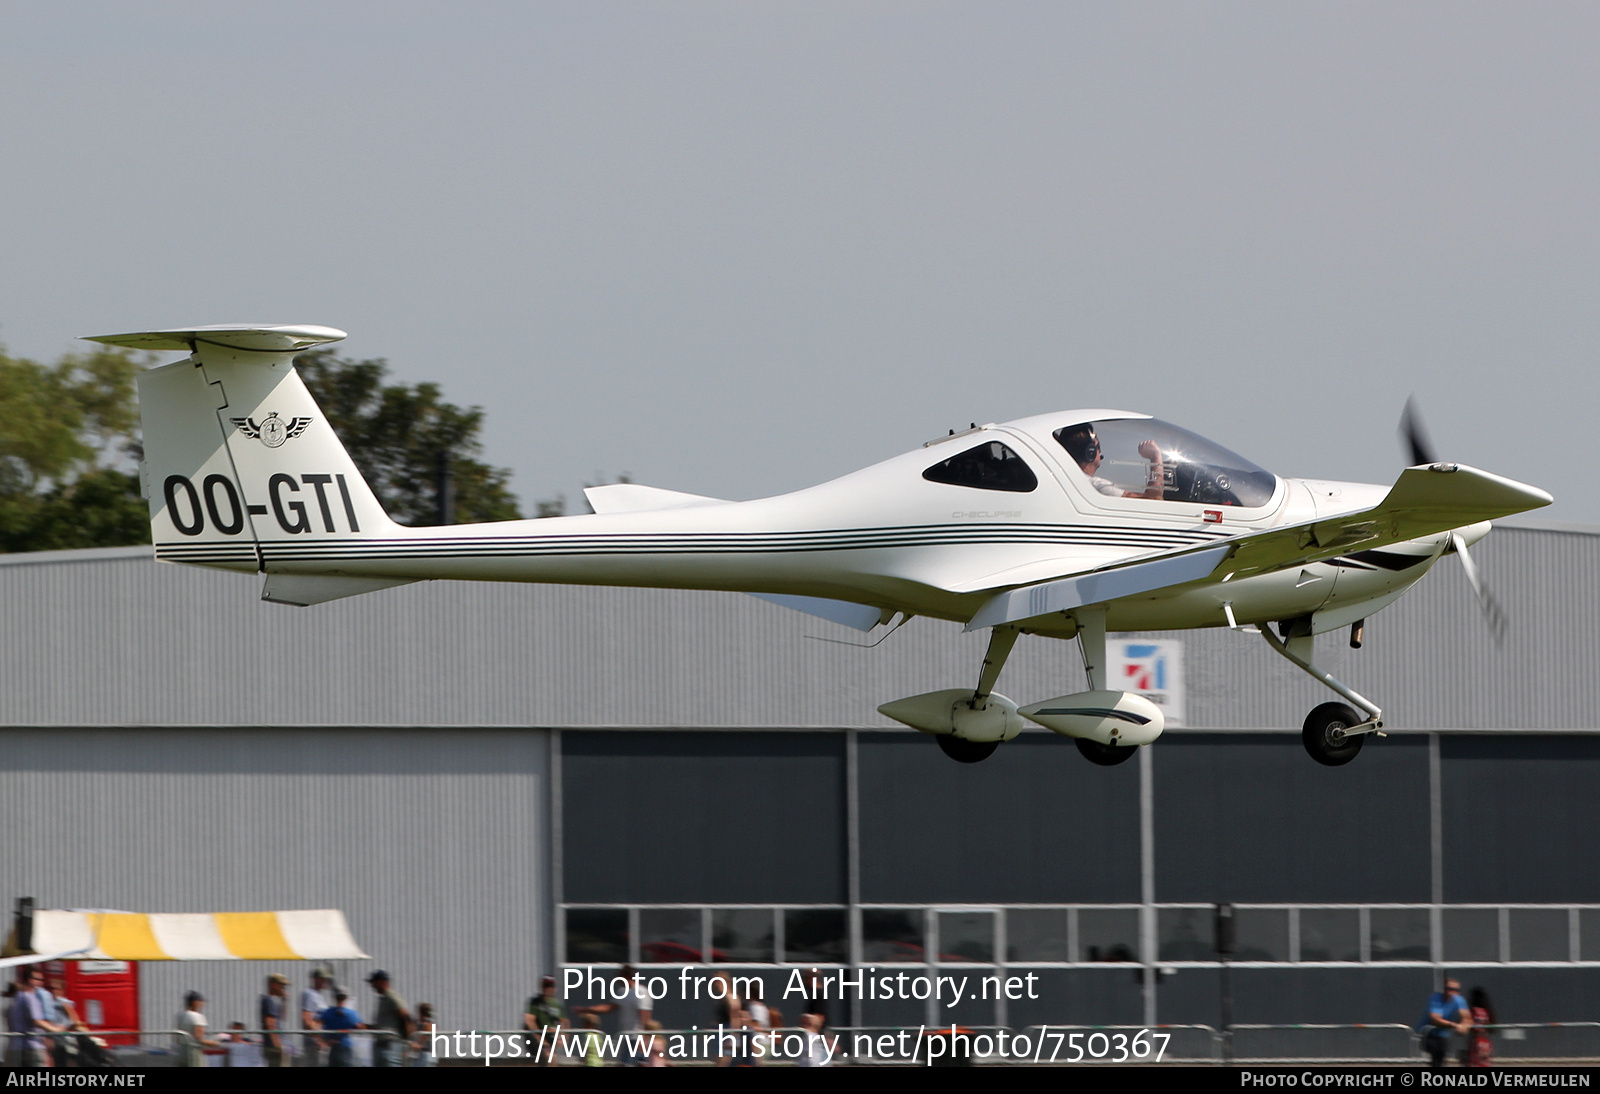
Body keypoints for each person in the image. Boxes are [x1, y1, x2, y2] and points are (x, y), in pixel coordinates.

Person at [1058, 423, 1167, 499]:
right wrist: (1155, 456)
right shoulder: (1097, 486)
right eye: (1097, 446)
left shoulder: (1069, 480)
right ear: (1090, 452)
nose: (1100, 451)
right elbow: (1154, 499)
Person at [575, 964, 653, 1066]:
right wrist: (586, 1009)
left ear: (626, 976)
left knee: (632, 1064)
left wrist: (642, 1038)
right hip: (626, 1036)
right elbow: (610, 1007)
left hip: (636, 1038)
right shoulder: (623, 991)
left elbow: (645, 1016)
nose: (617, 979)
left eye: (619, 976)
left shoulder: (641, 992)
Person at [8, 968, 64, 1067]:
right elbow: (36, 1021)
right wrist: (55, 1029)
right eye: (38, 979)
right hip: (32, 1047)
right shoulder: (30, 997)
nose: (41, 983)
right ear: (30, 980)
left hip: (14, 1047)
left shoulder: (16, 998)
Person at [1419, 976, 1472, 1068]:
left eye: (1456, 990)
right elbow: (1435, 1019)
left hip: (1443, 1035)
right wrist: (1455, 1025)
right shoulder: (1436, 998)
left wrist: (1464, 1026)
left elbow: (1467, 1017)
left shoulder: (1459, 1000)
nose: (1452, 992)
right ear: (1444, 990)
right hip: (1428, 1033)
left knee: (1441, 1057)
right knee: (1436, 1055)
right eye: (1449, 989)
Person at [366, 970, 413, 1067]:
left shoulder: (391, 997)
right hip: (382, 1044)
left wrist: (407, 1041)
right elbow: (385, 1024)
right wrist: (367, 1027)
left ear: (381, 982)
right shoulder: (383, 999)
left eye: (374, 982)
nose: (372, 986)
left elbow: (406, 1017)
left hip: (390, 1045)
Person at [523, 974, 568, 1066]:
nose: (548, 988)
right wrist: (540, 1039)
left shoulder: (555, 1004)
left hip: (550, 1038)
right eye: (546, 986)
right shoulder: (535, 1003)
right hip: (538, 1039)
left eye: (551, 986)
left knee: (551, 1058)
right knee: (550, 1057)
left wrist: (563, 1037)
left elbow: (565, 1021)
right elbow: (529, 1020)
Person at [318, 989, 363, 1068]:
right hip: (346, 1045)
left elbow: (318, 1023)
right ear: (346, 998)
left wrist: (324, 1040)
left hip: (332, 1046)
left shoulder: (328, 1012)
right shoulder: (352, 1014)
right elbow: (360, 1027)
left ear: (335, 997)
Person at [176, 990, 221, 1068]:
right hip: (193, 1053)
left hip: (181, 1051)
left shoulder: (180, 1016)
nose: (202, 1004)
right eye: (200, 1001)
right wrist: (215, 1044)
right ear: (195, 1002)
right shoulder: (198, 1017)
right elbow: (199, 1038)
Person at [299, 968, 332, 1068]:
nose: (325, 982)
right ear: (315, 979)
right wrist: (319, 1040)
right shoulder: (309, 994)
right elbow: (307, 1020)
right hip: (314, 1043)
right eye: (322, 979)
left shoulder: (319, 996)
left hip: (320, 1041)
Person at [260, 972, 289, 1067]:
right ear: (272, 985)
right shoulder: (269, 1000)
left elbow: (282, 1018)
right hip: (273, 1046)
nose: (283, 988)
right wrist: (278, 1046)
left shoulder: (272, 1001)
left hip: (273, 1045)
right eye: (281, 985)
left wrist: (284, 1001)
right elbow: (270, 1024)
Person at [1464, 987, 1496, 1067]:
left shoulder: (1473, 1011)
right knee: (1484, 1063)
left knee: (1475, 1063)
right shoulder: (1487, 1012)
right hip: (1486, 1041)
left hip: (1476, 1040)